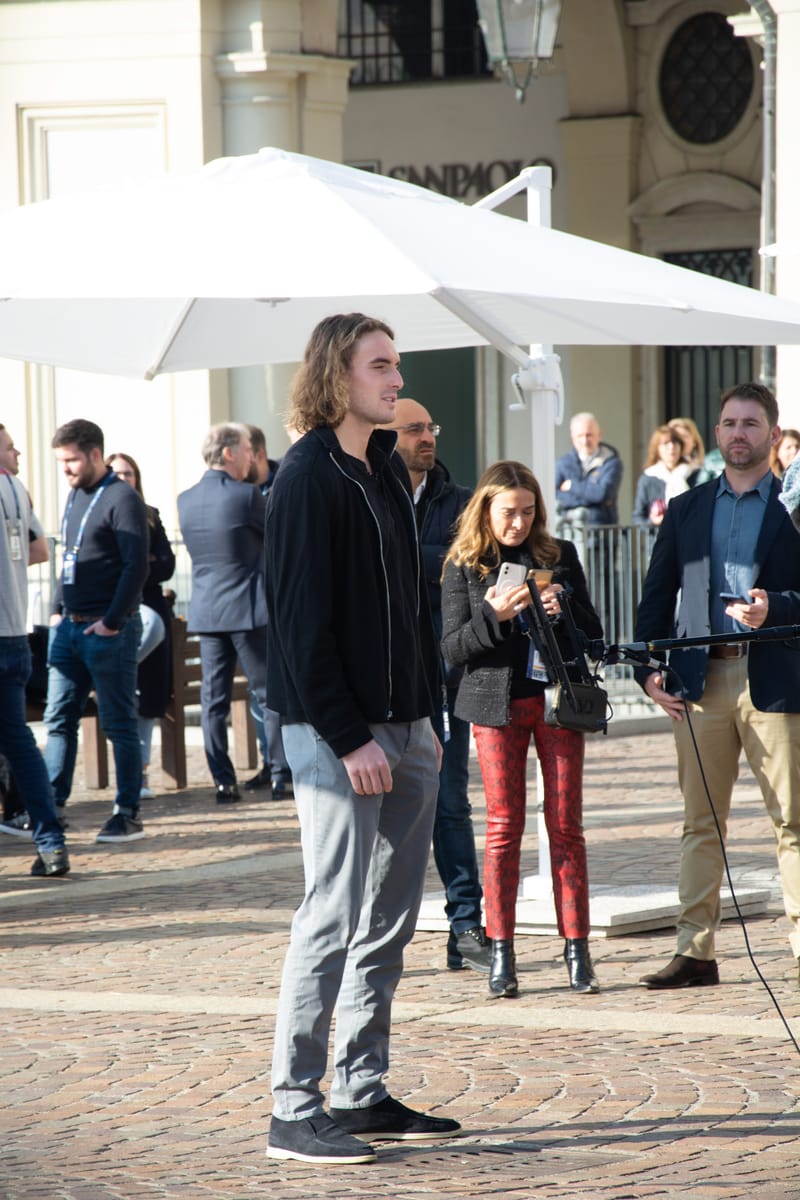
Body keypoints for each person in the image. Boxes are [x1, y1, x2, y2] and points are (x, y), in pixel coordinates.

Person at [265, 313, 460, 1166]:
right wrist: (351, 739)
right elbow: (301, 626)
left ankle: (358, 1089)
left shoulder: (382, 466)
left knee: (389, 919)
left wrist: (425, 722)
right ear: (338, 375)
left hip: (409, 729)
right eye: (381, 365)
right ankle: (292, 1109)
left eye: (396, 363)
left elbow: (410, 608)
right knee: (331, 915)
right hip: (337, 737)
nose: (395, 377)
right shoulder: (306, 477)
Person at [634, 382, 800, 990]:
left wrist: (775, 607)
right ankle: (695, 951)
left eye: (751, 424)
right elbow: (656, 599)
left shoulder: (793, 507)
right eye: (729, 422)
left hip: (777, 679)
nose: (738, 434)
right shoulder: (687, 509)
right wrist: (648, 671)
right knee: (701, 822)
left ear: (773, 436)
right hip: (700, 680)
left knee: (793, 822)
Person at [441, 460, 603, 999]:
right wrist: (496, 617)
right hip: (497, 706)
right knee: (504, 828)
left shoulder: (559, 557)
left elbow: (595, 639)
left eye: (528, 512)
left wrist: (563, 612)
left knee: (566, 824)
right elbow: (452, 649)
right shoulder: (464, 565)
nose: (518, 524)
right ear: (485, 510)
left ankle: (577, 948)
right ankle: (502, 951)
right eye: (508, 512)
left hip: (556, 702)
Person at [387, 397, 489, 974]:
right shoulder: (368, 493)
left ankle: (465, 926)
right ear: (386, 436)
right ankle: (372, 934)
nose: (428, 437)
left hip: (446, 675)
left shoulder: (461, 502)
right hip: (379, 680)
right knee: (376, 813)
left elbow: (469, 568)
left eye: (432, 426)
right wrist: (434, 566)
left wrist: (408, 561)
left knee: (450, 803)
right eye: (414, 429)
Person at [45, 418, 148, 843]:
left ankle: (126, 812)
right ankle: (49, 804)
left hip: (108, 632)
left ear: (92, 454)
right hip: (68, 629)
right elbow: (68, 556)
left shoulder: (121, 498)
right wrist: (56, 610)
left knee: (118, 722)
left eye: (70, 461)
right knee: (58, 719)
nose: (65, 470)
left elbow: (135, 565)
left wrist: (112, 621)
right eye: (61, 462)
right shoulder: (74, 496)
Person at [178, 423, 283, 803]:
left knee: (213, 699)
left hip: (207, 610)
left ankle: (223, 782)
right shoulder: (246, 495)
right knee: (268, 694)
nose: (250, 458)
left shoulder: (184, 499)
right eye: (245, 451)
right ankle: (279, 775)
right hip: (247, 608)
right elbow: (279, 532)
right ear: (227, 454)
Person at [0, 424, 70, 874]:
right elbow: (40, 550)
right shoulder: (15, 489)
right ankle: (50, 843)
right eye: (9, 445)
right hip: (13, 633)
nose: (17, 450)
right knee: (20, 743)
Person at [105, 452, 175, 798]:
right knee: (126, 697)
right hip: (112, 614)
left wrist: (135, 566)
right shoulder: (98, 512)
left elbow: (166, 565)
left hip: (148, 608)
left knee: (146, 698)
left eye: (129, 474)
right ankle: (118, 671)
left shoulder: (151, 516)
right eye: (116, 473)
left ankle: (142, 774)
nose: (123, 479)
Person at [239, 424, 291, 799]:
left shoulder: (287, 479)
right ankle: (269, 761)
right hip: (251, 606)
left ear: (257, 453)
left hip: (283, 600)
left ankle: (284, 765)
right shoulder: (236, 492)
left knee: (277, 689)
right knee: (261, 692)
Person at [555, 412, 622, 527]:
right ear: (572, 437)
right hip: (570, 531)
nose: (585, 441)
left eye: (589, 435)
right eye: (580, 436)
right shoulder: (563, 463)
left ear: (599, 435)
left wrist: (572, 486)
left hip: (600, 534)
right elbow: (556, 496)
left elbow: (602, 494)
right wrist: (591, 498)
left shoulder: (611, 462)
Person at [632, 424, 697, 528]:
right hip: (659, 539)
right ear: (657, 448)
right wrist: (653, 521)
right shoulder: (648, 478)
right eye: (665, 443)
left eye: (675, 442)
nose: (671, 447)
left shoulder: (694, 473)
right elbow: (638, 518)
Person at [669, 416, 720, 483]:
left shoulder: (706, 469)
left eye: (684, 436)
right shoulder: (656, 473)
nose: (680, 440)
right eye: (676, 437)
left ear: (694, 441)